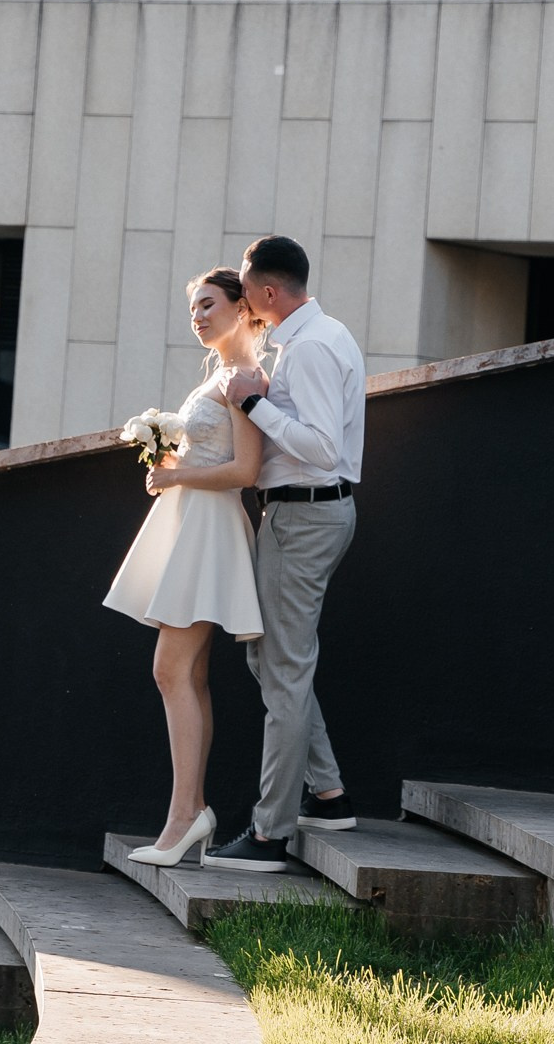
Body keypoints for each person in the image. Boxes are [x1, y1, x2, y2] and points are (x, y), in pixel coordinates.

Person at [204, 234, 366, 872]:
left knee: (284, 668)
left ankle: (269, 834)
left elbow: (323, 448)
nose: (243, 303)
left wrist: (252, 403)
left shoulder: (316, 348)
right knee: (269, 659)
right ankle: (325, 793)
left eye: (244, 292)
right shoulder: (306, 340)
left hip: (307, 513)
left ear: (269, 292)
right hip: (299, 514)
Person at [101, 268, 269, 867]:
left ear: (241, 309)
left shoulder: (244, 378)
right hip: (192, 526)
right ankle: (189, 812)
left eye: (208, 304)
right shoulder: (220, 375)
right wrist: (167, 456)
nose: (197, 316)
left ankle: (186, 817)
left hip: (212, 531)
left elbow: (246, 471)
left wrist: (176, 474)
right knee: (186, 675)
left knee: (170, 669)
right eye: (192, 308)